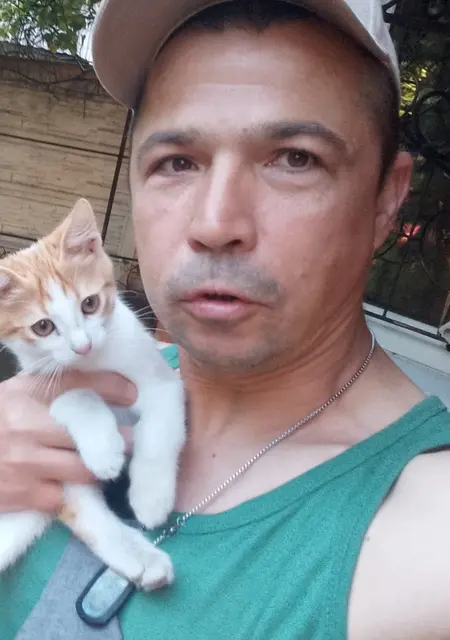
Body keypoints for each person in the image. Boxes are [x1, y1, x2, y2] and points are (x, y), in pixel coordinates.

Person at [1, 0, 450, 638]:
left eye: (294, 158)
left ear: (388, 198)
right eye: (177, 162)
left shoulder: (426, 544)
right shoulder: (39, 411)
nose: (215, 224)